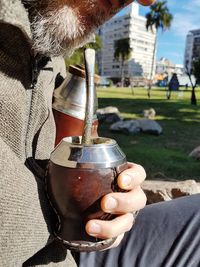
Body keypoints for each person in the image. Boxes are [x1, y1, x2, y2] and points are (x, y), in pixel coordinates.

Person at [0, 1, 200, 267]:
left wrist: (115, 205)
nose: (148, 1)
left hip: (70, 249)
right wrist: (72, 205)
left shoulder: (49, 50)